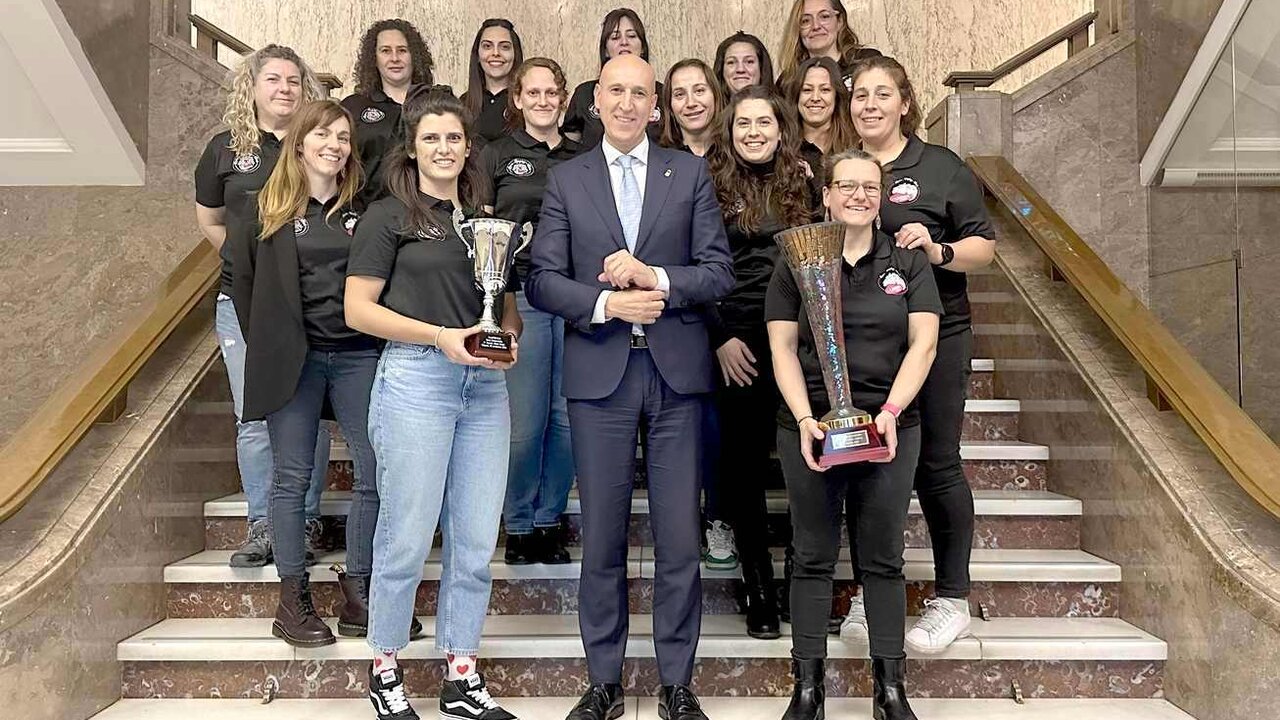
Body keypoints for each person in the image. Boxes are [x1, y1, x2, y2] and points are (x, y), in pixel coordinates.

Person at [526, 55, 734, 720]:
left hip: (676, 376)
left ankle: (678, 683)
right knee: (604, 538)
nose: (625, 102)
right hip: (600, 375)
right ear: (596, 101)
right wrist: (607, 305)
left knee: (678, 539)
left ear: (655, 106)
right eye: (614, 90)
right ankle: (604, 682)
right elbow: (541, 279)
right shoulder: (566, 179)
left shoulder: (690, 172)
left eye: (638, 93)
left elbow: (718, 272)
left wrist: (657, 280)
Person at [346, 86, 522, 720]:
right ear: (412, 148)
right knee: (407, 535)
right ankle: (386, 668)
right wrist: (441, 339)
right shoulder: (388, 216)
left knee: (475, 540)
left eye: (454, 138)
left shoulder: (483, 216)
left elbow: (499, 305)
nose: (444, 148)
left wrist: (508, 338)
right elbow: (358, 309)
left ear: (468, 148)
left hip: (485, 387)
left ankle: (460, 674)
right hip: (417, 381)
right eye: (432, 139)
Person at [766, 147, 940, 720]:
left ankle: (890, 692)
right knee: (812, 554)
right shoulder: (796, 260)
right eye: (847, 186)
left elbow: (925, 343)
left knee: (884, 559)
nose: (859, 196)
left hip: (892, 429)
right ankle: (807, 690)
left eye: (870, 187)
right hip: (814, 428)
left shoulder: (907, 263)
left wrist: (890, 411)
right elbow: (782, 348)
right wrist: (804, 421)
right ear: (828, 195)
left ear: (881, 195)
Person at [840, 54, 997, 655]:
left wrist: (938, 250)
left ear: (906, 103)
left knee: (935, 462)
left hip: (937, 336)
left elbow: (985, 248)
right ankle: (870, 592)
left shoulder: (941, 168)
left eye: (884, 95)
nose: (870, 105)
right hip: (860, 342)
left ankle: (951, 597)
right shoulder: (843, 169)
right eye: (860, 96)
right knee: (867, 466)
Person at [227, 99, 380, 649]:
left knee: (374, 470)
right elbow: (239, 281)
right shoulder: (261, 207)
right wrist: (268, 339)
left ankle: (360, 588)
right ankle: (293, 599)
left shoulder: (366, 208)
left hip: (360, 354)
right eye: (323, 134)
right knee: (292, 478)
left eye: (343, 136)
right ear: (299, 141)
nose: (335, 144)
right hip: (295, 359)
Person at [194, 44, 332, 570]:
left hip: (311, 306)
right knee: (254, 416)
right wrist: (249, 266)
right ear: (250, 87)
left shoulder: (318, 145)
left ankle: (308, 517)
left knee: (311, 414)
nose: (284, 89)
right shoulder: (224, 150)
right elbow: (210, 221)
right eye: (272, 79)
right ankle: (262, 523)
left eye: (294, 80)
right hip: (242, 303)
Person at [703, 85, 818, 640]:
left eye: (764, 123)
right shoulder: (708, 183)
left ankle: (801, 575)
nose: (753, 132)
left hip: (800, 334)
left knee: (806, 456)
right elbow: (695, 265)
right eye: (743, 123)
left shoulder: (805, 180)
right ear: (730, 131)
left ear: (780, 129)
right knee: (743, 466)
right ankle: (757, 582)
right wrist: (720, 337)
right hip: (739, 340)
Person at [480, 57, 582, 566]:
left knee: (566, 420)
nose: (543, 101)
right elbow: (481, 229)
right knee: (525, 423)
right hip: (520, 300)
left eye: (551, 93)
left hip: (577, 301)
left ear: (563, 98)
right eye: (533, 93)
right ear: (517, 100)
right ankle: (518, 522)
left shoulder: (583, 155)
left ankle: (549, 519)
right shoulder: (496, 155)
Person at [342, 18, 435, 208]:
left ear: (414, 56)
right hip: (365, 212)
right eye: (385, 51)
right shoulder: (353, 106)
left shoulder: (435, 104)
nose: (394, 58)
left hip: (426, 212)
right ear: (373, 59)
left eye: (402, 50)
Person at [562, 8, 664, 149]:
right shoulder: (585, 93)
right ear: (605, 50)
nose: (624, 42)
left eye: (632, 36)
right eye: (615, 37)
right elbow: (568, 148)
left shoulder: (663, 93)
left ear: (643, 48)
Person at [781, 56, 856, 189]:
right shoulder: (781, 147)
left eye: (825, 90)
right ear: (796, 96)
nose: (815, 98)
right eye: (807, 90)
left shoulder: (855, 146)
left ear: (837, 97)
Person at [777, 0, 881, 92]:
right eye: (805, 21)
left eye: (824, 17)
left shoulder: (867, 61)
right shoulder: (787, 81)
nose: (816, 26)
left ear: (840, 21)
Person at [462, 18, 524, 144]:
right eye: (487, 46)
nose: (495, 53)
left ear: (515, 54)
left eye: (505, 47)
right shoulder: (462, 103)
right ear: (478, 55)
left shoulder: (528, 102)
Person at [659, 59, 725, 158]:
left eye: (699, 90)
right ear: (669, 105)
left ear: (715, 96)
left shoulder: (736, 152)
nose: (691, 103)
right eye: (680, 94)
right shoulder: (657, 156)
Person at [713, 31, 775, 96]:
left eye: (749, 62)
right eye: (731, 62)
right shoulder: (708, 105)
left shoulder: (779, 105)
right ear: (721, 70)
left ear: (761, 67)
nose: (740, 69)